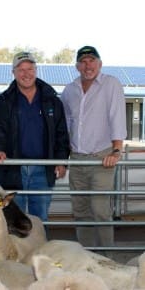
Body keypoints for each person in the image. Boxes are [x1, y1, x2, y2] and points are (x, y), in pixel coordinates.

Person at [0, 51, 70, 222]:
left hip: (43, 168)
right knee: (13, 219)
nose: (26, 74)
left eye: (30, 69)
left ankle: (39, 250)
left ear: (36, 70)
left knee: (39, 220)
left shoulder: (52, 100)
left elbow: (61, 133)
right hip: (12, 168)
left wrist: (61, 160)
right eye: (21, 70)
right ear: (14, 73)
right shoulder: (4, 100)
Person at [61, 46, 127, 249]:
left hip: (102, 157)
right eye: (83, 61)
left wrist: (117, 150)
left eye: (92, 60)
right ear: (77, 66)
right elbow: (63, 125)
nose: (87, 65)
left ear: (100, 64)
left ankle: (107, 258)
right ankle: (86, 255)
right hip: (77, 159)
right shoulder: (69, 90)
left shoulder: (111, 84)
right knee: (80, 210)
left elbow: (117, 116)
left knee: (100, 209)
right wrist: (63, 158)